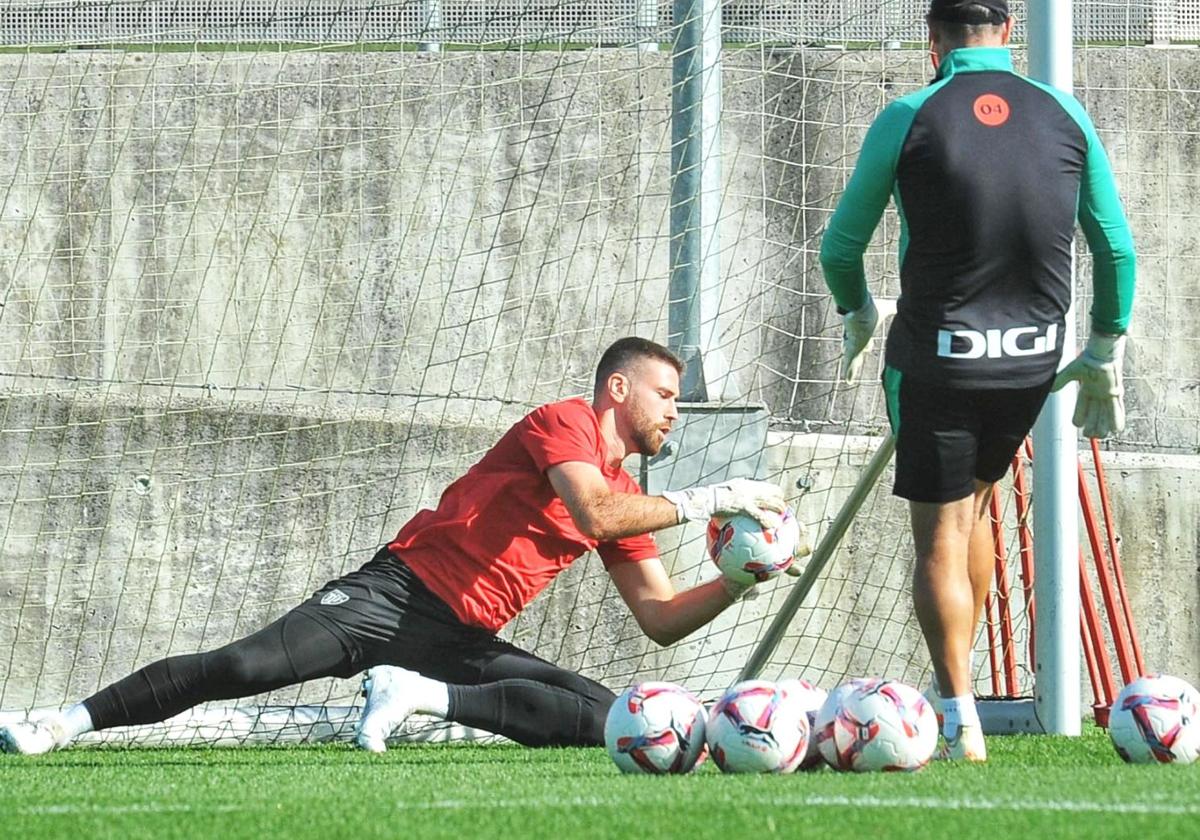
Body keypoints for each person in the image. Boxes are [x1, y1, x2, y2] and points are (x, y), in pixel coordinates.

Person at [0, 336, 806, 755]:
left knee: (606, 717)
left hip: (459, 641)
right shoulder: (562, 422)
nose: (675, 411)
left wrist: (742, 577)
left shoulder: (635, 496)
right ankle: (61, 723)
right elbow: (591, 513)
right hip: (391, 599)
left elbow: (660, 618)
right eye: (667, 395)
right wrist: (717, 497)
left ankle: (419, 695)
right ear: (618, 389)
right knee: (242, 668)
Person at [819, 0, 1136, 761]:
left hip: (937, 358)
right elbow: (1116, 250)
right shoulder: (1062, 110)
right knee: (979, 513)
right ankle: (958, 697)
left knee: (940, 536)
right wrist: (1104, 349)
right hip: (1031, 364)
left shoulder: (909, 113)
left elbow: (839, 247)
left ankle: (958, 714)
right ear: (1009, 34)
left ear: (933, 41)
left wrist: (858, 314)